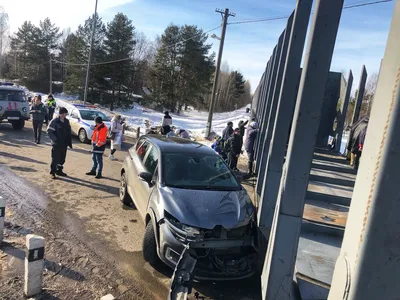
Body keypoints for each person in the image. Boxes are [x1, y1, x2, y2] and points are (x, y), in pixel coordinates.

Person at [47, 107, 72, 179]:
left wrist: (69, 141)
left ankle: (59, 171)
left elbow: (68, 131)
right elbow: (49, 131)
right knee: (55, 158)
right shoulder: (55, 121)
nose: (66, 115)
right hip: (56, 143)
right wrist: (55, 140)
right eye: (65, 113)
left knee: (62, 158)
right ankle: (53, 172)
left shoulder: (66, 121)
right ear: (61, 114)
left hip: (64, 143)